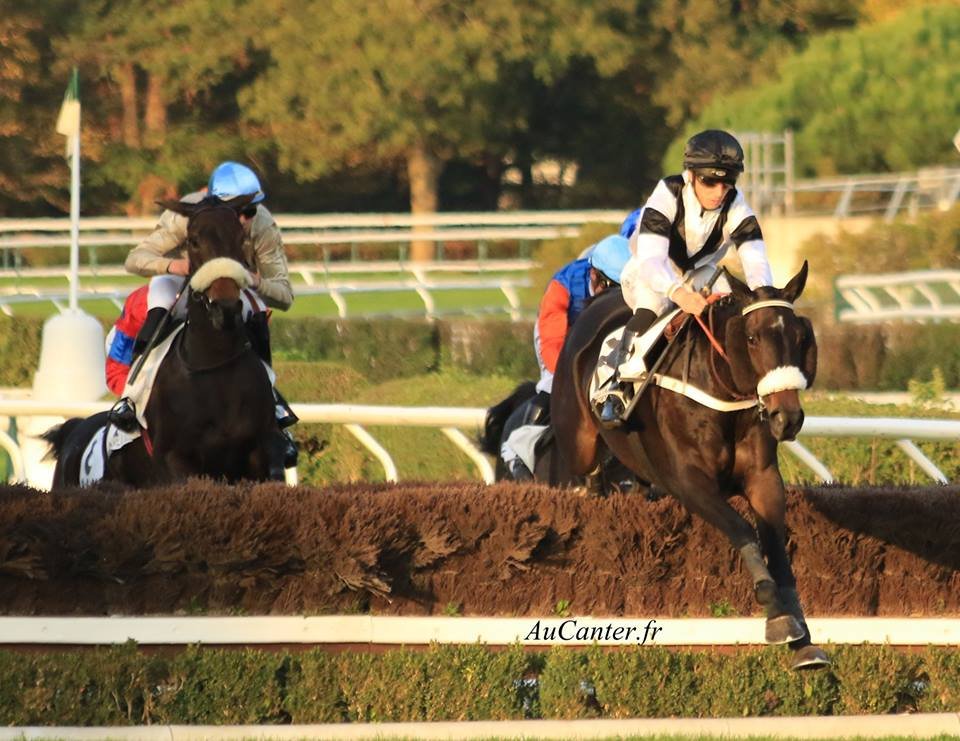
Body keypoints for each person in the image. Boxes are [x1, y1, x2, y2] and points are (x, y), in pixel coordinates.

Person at [108, 161, 298, 464]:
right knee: (160, 299)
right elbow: (135, 259)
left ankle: (271, 402)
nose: (246, 219)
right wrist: (175, 266)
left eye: (251, 210)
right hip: (186, 283)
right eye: (239, 211)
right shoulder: (186, 213)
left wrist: (254, 280)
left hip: (233, 287)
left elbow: (285, 295)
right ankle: (131, 397)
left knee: (258, 311)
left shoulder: (262, 225)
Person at [597, 129, 775, 428]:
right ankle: (615, 387)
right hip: (651, 271)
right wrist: (679, 294)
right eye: (709, 181)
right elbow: (652, 260)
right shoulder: (667, 193)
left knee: (737, 312)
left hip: (700, 273)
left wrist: (763, 298)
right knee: (652, 309)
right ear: (691, 175)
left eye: (727, 183)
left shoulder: (736, 204)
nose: (719, 192)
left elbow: (756, 259)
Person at [503, 234, 632, 480]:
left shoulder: (636, 282)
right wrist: (571, 382)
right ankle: (517, 449)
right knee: (555, 384)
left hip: (606, 336)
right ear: (594, 276)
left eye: (621, 289)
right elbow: (552, 345)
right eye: (610, 288)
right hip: (562, 335)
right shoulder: (563, 287)